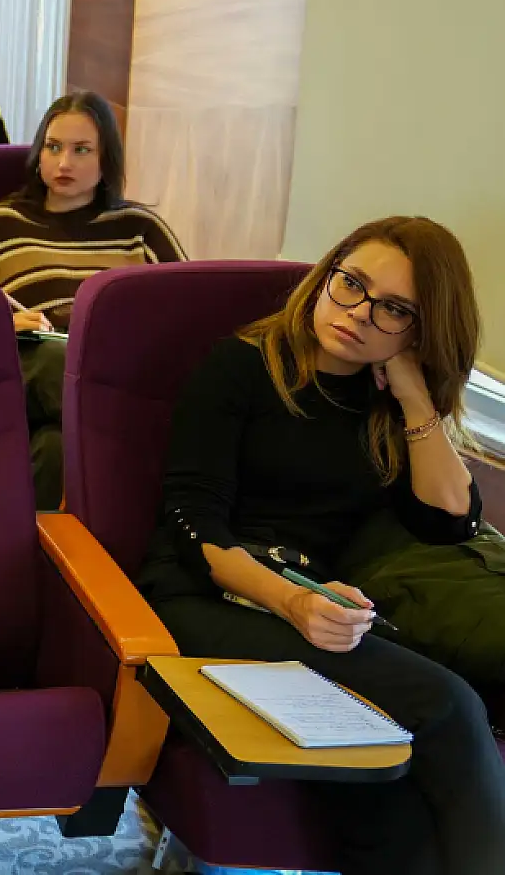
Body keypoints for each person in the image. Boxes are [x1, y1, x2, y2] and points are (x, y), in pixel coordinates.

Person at [138, 217, 503, 875]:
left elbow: (451, 521)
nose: (358, 313)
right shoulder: (242, 366)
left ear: (417, 331)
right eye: (352, 283)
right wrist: (291, 604)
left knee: (390, 791)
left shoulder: (381, 403)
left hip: (315, 606)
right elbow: (194, 524)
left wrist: (415, 394)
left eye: (393, 309)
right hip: (202, 599)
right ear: (327, 273)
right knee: (449, 704)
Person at [0, 92, 184, 509]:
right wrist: (1, 328)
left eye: (81, 150)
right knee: (54, 359)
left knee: (56, 448)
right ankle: (128, 432)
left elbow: (186, 317)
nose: (63, 164)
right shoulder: (1, 225)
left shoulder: (139, 229)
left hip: (108, 368)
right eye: (53, 147)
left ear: (106, 158)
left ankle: (37, 562)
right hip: (25, 367)